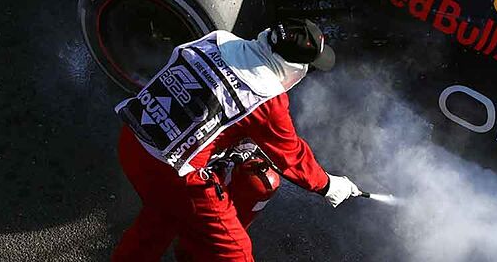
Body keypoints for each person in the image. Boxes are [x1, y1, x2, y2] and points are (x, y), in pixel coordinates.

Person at [111, 19, 359, 262]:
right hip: (172, 174)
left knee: (163, 217)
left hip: (133, 140)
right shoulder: (266, 97)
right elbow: (291, 156)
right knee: (236, 252)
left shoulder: (217, 40)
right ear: (293, 66)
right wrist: (328, 185)